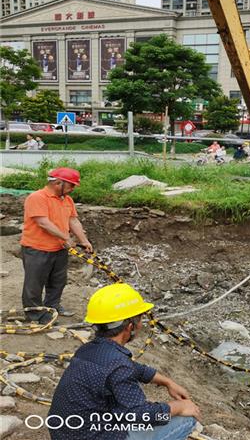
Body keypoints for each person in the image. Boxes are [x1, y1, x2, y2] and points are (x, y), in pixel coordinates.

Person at [48, 283, 200, 440]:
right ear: (130, 326)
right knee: (186, 419)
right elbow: (139, 416)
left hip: (64, 433)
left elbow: (133, 368)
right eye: (140, 319)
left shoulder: (89, 350)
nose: (141, 324)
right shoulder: (118, 365)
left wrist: (167, 382)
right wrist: (179, 407)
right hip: (94, 435)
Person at [20, 167, 92, 323]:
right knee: (34, 283)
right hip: (37, 249)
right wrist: (65, 237)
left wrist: (83, 240)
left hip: (59, 249)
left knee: (58, 281)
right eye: (71, 185)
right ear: (58, 183)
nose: (73, 189)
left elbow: (73, 220)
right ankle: (35, 314)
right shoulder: (37, 198)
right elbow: (43, 222)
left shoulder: (67, 200)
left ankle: (52, 306)